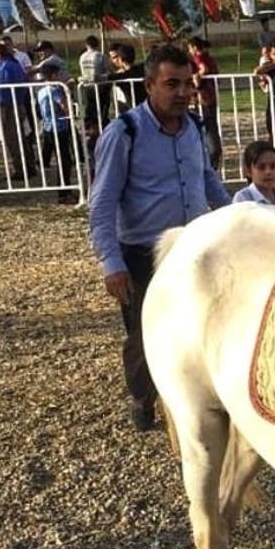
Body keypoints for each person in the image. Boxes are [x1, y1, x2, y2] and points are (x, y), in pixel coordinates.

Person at [88, 43, 231, 431]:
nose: (183, 92)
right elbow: (101, 204)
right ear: (150, 85)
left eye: (187, 84)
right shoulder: (124, 133)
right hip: (142, 254)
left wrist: (239, 215)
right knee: (144, 334)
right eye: (172, 84)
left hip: (192, 247)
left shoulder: (194, 128)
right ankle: (142, 395)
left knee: (203, 322)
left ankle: (196, 393)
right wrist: (111, 263)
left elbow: (206, 180)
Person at [0, 42, 36, 181]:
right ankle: (29, 166)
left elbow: (5, 90)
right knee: (20, 137)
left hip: (9, 106)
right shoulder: (14, 64)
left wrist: (2, 106)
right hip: (18, 103)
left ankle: (21, 169)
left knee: (12, 139)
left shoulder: (5, 67)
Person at [36, 64, 75, 199]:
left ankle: (64, 189)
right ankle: (64, 191)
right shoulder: (55, 90)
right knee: (65, 160)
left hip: (48, 126)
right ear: (53, 76)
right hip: (59, 127)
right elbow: (65, 107)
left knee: (57, 155)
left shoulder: (41, 91)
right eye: (57, 75)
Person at [187, 36, 222, 169]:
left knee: (206, 127)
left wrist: (197, 76)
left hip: (203, 97)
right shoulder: (210, 58)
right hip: (211, 95)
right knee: (211, 126)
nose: (189, 51)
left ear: (194, 47)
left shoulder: (198, 58)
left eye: (190, 48)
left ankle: (211, 159)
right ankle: (213, 157)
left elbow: (204, 69)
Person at [232, 139, 275, 212]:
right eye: (261, 167)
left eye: (273, 166)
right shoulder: (242, 199)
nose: (268, 172)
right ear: (248, 171)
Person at [79, 35, 111, 168]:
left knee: (90, 112)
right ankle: (101, 134)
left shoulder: (82, 57)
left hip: (87, 86)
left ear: (87, 45)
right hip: (100, 86)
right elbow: (106, 71)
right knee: (102, 112)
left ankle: (91, 134)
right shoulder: (100, 56)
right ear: (97, 44)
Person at [108, 43, 146, 115]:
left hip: (135, 111)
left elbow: (106, 78)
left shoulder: (121, 77)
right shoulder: (142, 69)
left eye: (116, 57)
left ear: (121, 59)